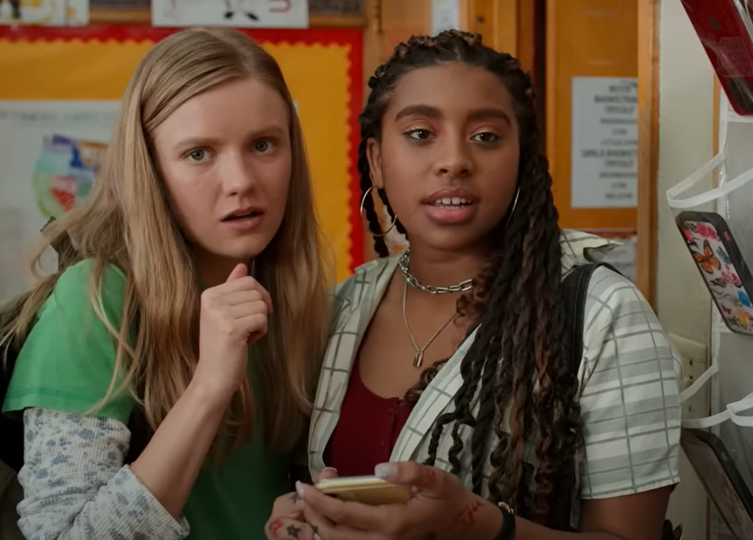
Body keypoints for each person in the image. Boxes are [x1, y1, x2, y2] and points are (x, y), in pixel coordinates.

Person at [266, 30, 681, 540]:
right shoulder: (339, 309)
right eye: (421, 133)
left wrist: (476, 524)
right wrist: (301, 515)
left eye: (486, 136)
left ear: (522, 158)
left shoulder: (602, 316)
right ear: (376, 160)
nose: (454, 161)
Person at [0, 27, 329, 540]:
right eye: (199, 153)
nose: (241, 180)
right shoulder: (94, 302)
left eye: (263, 144)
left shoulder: (299, 298)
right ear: (150, 171)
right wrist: (208, 389)